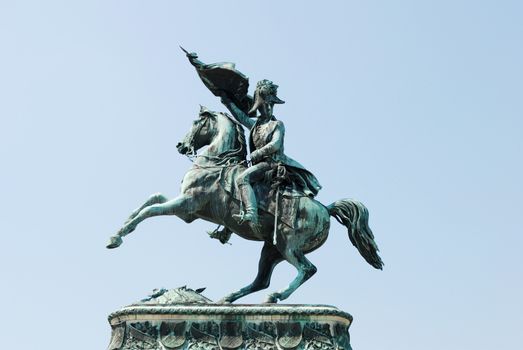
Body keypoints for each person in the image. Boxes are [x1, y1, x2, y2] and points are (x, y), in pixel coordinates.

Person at [221, 79, 321, 232]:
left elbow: (275, 144)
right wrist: (226, 102)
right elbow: (240, 117)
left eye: (270, 105)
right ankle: (227, 231)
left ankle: (252, 214)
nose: (267, 108)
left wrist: (257, 153)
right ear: (259, 106)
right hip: (260, 165)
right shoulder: (256, 125)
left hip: (272, 164)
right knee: (236, 185)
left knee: (242, 179)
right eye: (264, 105)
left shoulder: (277, 125)